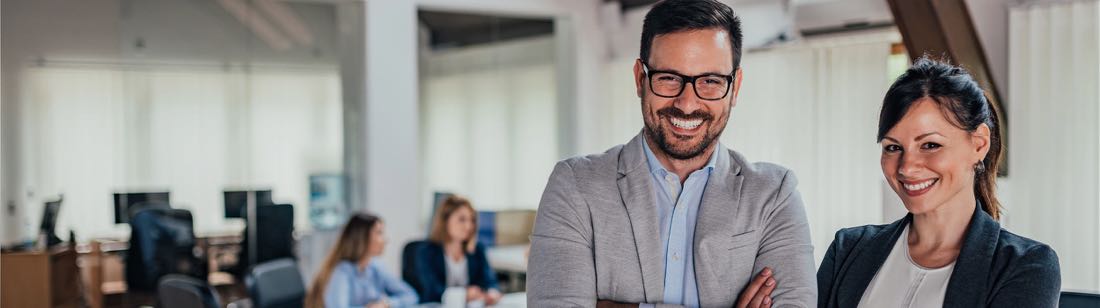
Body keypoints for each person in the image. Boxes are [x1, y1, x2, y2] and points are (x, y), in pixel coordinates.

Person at [526, 0, 816, 306]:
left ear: (735, 87)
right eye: (669, 78)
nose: (687, 103)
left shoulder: (774, 193)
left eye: (710, 81)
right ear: (640, 79)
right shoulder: (575, 186)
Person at [816, 57, 1061, 307]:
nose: (907, 166)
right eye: (893, 147)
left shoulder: (1026, 265)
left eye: (930, 145)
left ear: (979, 144)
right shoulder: (849, 250)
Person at [306, 213, 419, 308]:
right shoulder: (341, 272)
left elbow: (411, 296)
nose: (385, 239)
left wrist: (386, 303)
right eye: (379, 233)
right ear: (362, 237)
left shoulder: (375, 267)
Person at [414, 195, 502, 305]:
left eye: (472, 220)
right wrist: (464, 295)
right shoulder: (426, 252)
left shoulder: (477, 249)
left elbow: (490, 280)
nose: (468, 226)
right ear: (445, 221)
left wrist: (492, 293)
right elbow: (432, 290)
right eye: (462, 220)